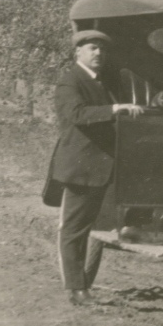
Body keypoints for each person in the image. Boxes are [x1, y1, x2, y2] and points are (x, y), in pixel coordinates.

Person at [42, 29, 143, 306]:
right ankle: (76, 289)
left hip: (104, 167)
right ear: (78, 53)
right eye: (91, 48)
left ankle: (81, 285)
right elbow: (75, 115)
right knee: (73, 229)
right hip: (81, 166)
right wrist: (114, 109)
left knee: (88, 227)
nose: (98, 53)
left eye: (102, 49)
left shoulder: (104, 82)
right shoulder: (69, 82)